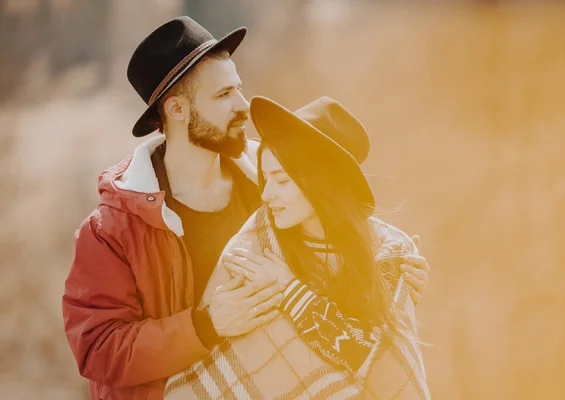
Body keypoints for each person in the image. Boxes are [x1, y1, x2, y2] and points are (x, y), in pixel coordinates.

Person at [61, 16, 430, 400]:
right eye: (223, 96)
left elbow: (330, 272)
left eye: (239, 88)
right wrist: (205, 327)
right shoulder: (112, 229)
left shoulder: (273, 186)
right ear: (176, 109)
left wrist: (389, 283)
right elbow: (97, 350)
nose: (243, 105)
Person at [165, 96, 431, 399]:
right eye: (265, 178)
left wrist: (290, 291)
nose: (266, 195)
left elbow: (373, 358)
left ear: (319, 182)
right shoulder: (255, 247)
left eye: (281, 181)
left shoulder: (390, 251)